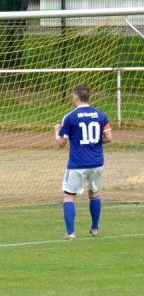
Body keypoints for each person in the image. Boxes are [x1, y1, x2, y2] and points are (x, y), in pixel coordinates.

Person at [54, 85, 112, 240]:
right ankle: (94, 228)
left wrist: (56, 131)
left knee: (69, 196)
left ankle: (71, 232)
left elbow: (60, 143)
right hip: (97, 162)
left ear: (76, 97)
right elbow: (109, 138)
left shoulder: (70, 117)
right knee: (94, 193)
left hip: (77, 164)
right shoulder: (100, 115)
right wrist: (94, 143)